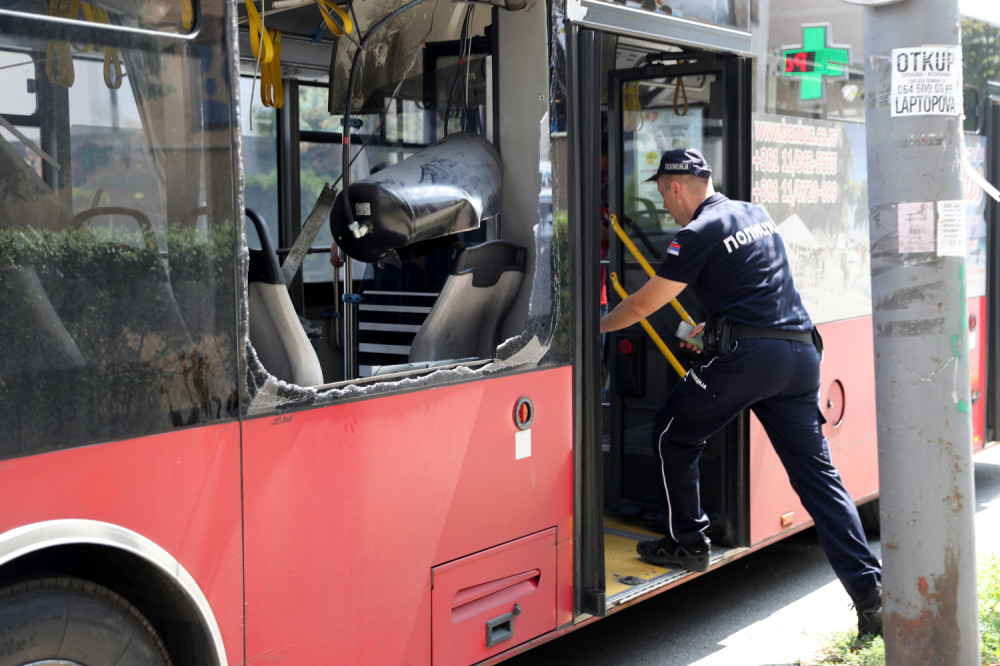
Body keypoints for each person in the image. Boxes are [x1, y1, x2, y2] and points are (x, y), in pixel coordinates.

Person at [599, 148, 883, 638]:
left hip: (750, 360)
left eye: (664, 195)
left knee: (672, 432)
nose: (666, 207)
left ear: (674, 187)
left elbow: (646, 302)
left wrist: (592, 330)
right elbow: (758, 287)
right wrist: (723, 324)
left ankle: (689, 541)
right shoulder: (755, 214)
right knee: (820, 482)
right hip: (799, 356)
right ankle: (872, 598)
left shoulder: (696, 233)